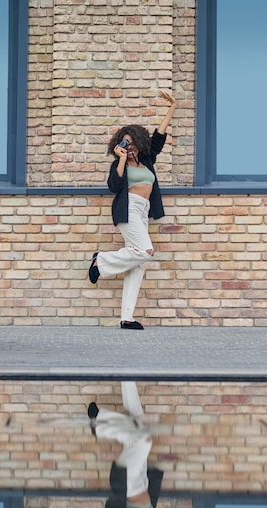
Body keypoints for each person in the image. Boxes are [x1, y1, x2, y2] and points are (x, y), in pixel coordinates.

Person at [88, 91, 177, 330]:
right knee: (146, 252)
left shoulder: (147, 160)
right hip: (127, 210)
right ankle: (102, 261)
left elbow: (159, 135)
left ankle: (127, 318)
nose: (129, 146)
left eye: (131, 141)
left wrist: (172, 107)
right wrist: (120, 159)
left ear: (138, 141)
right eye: (124, 142)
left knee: (137, 263)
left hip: (143, 211)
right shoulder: (119, 164)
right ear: (118, 144)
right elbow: (114, 187)